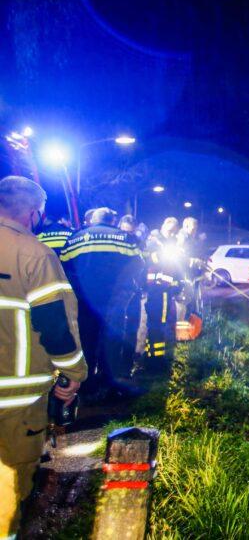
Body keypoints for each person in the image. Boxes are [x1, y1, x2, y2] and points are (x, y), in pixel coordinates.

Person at [0, 176, 87, 538]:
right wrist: (74, 374)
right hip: (14, 397)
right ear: (35, 214)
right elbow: (55, 326)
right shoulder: (33, 254)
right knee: (7, 485)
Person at [60, 207, 144, 400]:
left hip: (85, 301)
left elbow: (64, 267)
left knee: (86, 341)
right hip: (114, 301)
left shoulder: (75, 238)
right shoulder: (125, 238)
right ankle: (110, 383)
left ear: (92, 220)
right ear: (113, 221)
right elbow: (139, 266)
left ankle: (87, 386)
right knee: (111, 341)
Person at [143, 218, 181, 366]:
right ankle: (155, 361)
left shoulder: (166, 243)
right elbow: (152, 261)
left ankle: (153, 356)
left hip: (163, 290)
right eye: (171, 232)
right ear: (164, 227)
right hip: (158, 290)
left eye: (174, 233)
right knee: (157, 324)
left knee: (158, 324)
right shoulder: (154, 241)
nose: (172, 235)